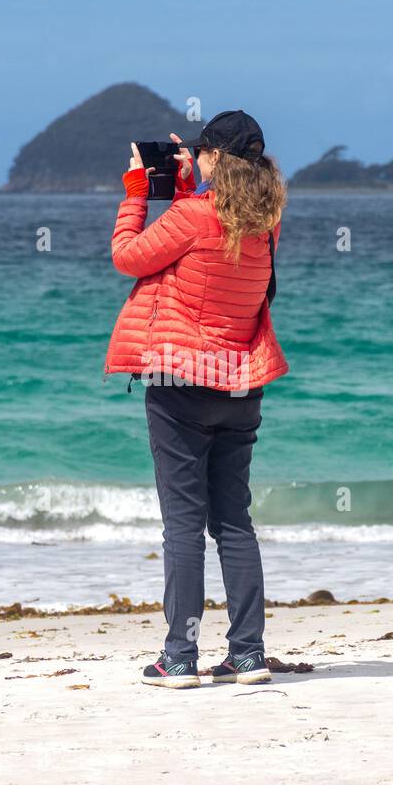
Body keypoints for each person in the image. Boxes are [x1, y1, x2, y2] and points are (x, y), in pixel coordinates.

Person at [103, 110, 289, 689]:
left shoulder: (191, 216)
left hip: (182, 384)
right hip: (240, 386)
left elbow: (129, 256)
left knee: (182, 526)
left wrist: (139, 191)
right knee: (233, 522)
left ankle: (179, 657)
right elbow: (212, 230)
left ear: (211, 156)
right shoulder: (268, 221)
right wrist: (187, 186)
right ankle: (248, 655)